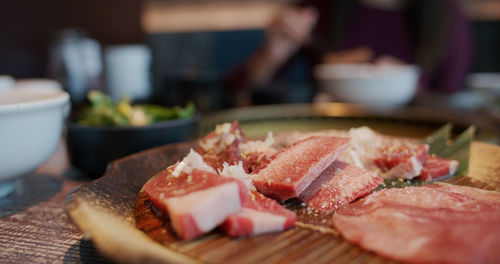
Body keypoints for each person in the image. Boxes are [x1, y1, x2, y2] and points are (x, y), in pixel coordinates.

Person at [225, 0, 473, 106]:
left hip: (417, 143)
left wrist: (403, 82)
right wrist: (270, 55)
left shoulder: (446, 15)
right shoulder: (321, 6)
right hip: (326, 139)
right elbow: (240, 90)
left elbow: (451, 101)